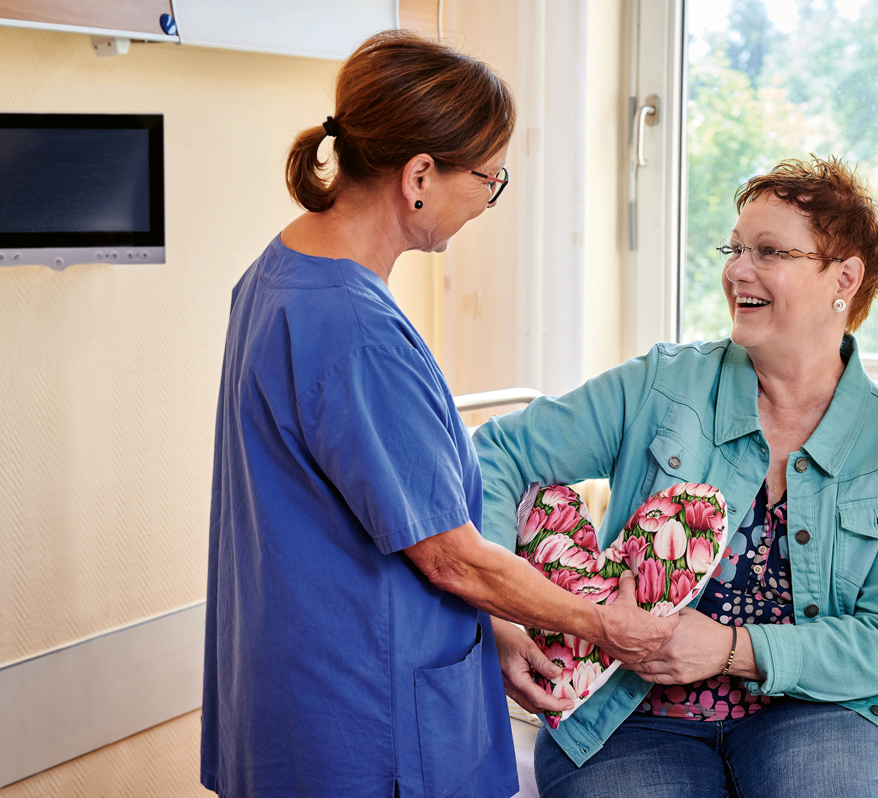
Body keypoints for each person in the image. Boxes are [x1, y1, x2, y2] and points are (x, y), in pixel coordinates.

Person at [201, 30, 675, 798]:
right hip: (367, 716)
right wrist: (606, 624)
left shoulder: (279, 272)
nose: (489, 199)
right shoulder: (356, 331)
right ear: (419, 175)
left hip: (294, 686)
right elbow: (451, 556)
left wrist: (497, 626)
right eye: (490, 178)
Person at [474, 156, 878, 798]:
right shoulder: (663, 384)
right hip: (634, 717)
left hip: (826, 710)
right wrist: (501, 616)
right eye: (735, 248)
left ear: (845, 277)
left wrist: (732, 650)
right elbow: (496, 453)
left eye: (770, 251)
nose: (737, 271)